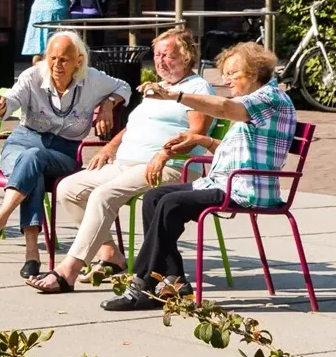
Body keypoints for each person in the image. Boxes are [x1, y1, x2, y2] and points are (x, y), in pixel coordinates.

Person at [103, 42, 297, 311]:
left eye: (232, 73)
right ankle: (174, 280)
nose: (226, 80)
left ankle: (142, 282)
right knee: (154, 197)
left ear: (254, 72)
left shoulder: (269, 99)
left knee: (171, 203)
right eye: (225, 74)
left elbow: (224, 108)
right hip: (227, 181)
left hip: (246, 188)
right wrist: (201, 140)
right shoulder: (256, 101)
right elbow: (236, 150)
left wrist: (176, 96)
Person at [26, 27, 214, 294]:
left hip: (170, 167)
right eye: (157, 55)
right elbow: (133, 125)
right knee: (69, 189)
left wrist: (164, 154)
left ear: (186, 56)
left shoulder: (197, 88)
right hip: (126, 164)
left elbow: (196, 135)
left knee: (103, 195)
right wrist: (110, 147)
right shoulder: (158, 88)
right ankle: (111, 254)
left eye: (168, 55)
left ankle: (68, 271)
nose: (160, 61)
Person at [0, 30, 129, 279]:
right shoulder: (33, 75)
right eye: (52, 58)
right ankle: (31, 254)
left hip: (64, 152)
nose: (56, 65)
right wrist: (0, 106)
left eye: (64, 60)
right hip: (21, 142)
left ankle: (2, 219)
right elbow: (11, 101)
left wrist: (108, 104)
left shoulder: (92, 79)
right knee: (32, 167)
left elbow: (124, 86)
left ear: (78, 60)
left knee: (32, 160)